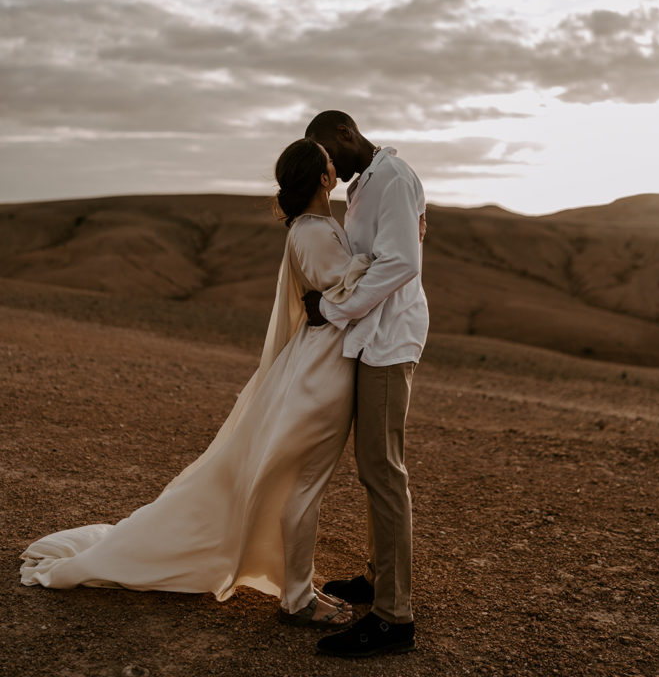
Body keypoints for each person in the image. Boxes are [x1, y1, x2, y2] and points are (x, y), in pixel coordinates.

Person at [20, 139, 375, 630]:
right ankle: (297, 599)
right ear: (321, 177)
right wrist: (395, 250)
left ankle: (298, 588)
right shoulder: (313, 232)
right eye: (330, 162)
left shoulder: (315, 226)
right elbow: (352, 287)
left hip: (319, 363)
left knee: (300, 482)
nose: (337, 166)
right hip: (321, 373)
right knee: (304, 484)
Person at [301, 111, 429, 659]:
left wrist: (333, 309)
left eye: (328, 154)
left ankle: (394, 618)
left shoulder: (392, 178)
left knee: (383, 470)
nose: (328, 167)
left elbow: (400, 263)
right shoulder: (367, 185)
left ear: (346, 133)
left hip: (389, 341)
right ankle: (379, 579)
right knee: (373, 467)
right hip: (371, 338)